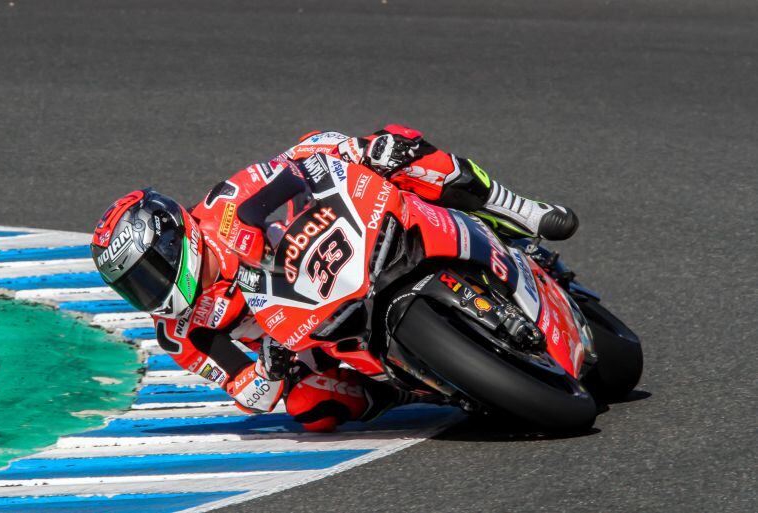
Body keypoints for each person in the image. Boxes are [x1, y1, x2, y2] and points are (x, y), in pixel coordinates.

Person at [90, 125, 578, 432]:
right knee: (309, 408)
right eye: (134, 285)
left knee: (398, 145)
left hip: (343, 257)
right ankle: (408, 386)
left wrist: (359, 152)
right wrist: (269, 369)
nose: (150, 291)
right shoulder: (180, 334)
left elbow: (303, 159)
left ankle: (517, 211)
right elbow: (247, 394)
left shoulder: (227, 205)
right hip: (313, 337)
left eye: (149, 272)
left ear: (176, 238)